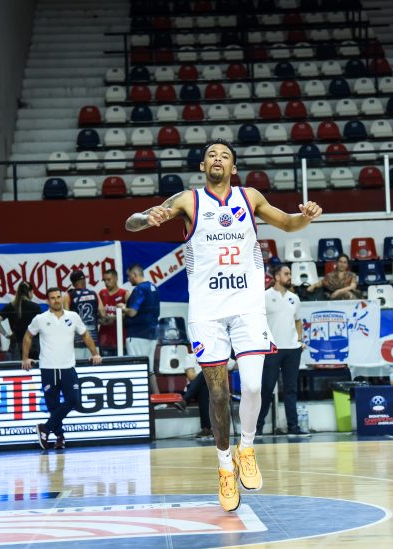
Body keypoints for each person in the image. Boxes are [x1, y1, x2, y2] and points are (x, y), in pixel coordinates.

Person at [125, 138, 322, 512]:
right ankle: (224, 466)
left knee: (252, 386)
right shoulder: (188, 201)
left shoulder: (250, 198)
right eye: (211, 155)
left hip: (247, 306)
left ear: (233, 167)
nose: (217, 158)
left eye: (225, 155)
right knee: (217, 394)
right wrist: (146, 218)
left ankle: (246, 447)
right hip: (207, 311)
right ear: (203, 166)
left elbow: (288, 222)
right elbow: (131, 222)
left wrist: (306, 216)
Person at [21, 287, 101, 450]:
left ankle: (45, 428)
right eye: (53, 298)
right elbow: (28, 335)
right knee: (53, 406)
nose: (56, 300)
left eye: (58, 297)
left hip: (67, 367)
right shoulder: (40, 319)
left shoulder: (73, 316)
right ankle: (60, 437)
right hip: (48, 368)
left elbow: (85, 334)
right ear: (47, 301)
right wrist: (24, 358)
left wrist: (95, 353)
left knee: (73, 400)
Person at [257, 263, 309, 437]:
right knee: (266, 388)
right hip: (272, 349)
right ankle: (257, 428)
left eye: (290, 274)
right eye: (286, 274)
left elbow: (298, 321)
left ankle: (293, 427)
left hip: (292, 349)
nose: (290, 276)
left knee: (291, 390)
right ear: (277, 277)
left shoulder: (294, 298)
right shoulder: (264, 296)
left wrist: (299, 340)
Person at [117, 264, 161, 395]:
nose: (128, 279)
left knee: (137, 367)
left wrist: (122, 308)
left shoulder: (139, 289)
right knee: (149, 368)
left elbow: (132, 312)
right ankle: (157, 398)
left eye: (129, 276)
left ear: (134, 275)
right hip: (152, 333)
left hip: (138, 334)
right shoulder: (154, 287)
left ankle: (139, 398)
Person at [0, 281, 41, 360]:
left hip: (16, 345)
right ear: (30, 292)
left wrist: (6, 335)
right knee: (34, 367)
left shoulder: (10, 306)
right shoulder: (35, 307)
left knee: (16, 367)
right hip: (33, 345)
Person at [65, 269, 104, 360]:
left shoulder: (68, 296)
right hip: (93, 341)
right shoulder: (94, 294)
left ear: (73, 283)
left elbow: (66, 319)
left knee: (78, 367)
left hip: (76, 342)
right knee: (95, 365)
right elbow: (103, 313)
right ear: (84, 280)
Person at [183, 352, 212, 439]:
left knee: (205, 377)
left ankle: (184, 400)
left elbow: (234, 365)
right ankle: (207, 428)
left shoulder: (217, 355)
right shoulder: (191, 356)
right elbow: (191, 376)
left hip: (214, 388)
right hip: (194, 388)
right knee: (203, 387)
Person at [98, 269, 127, 356]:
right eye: (104, 280)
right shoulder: (101, 293)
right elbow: (97, 313)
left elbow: (129, 315)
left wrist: (113, 318)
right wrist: (101, 319)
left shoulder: (124, 293)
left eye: (109, 279)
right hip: (104, 339)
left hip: (121, 338)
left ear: (116, 278)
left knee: (122, 363)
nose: (106, 282)